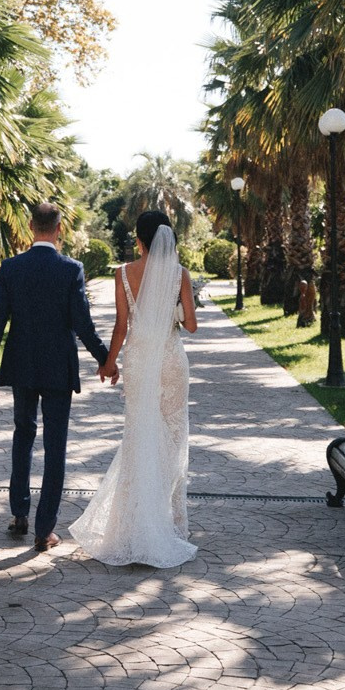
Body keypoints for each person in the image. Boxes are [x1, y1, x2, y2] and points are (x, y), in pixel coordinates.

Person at [0, 202, 114, 551]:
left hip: (21, 365)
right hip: (57, 368)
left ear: (30, 227)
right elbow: (81, 323)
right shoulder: (71, 269)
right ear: (59, 229)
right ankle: (44, 530)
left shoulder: (11, 268)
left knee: (23, 435)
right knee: (55, 446)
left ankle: (19, 513)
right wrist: (105, 359)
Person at [68, 209, 199, 568]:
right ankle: (168, 523)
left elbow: (121, 327)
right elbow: (191, 325)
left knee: (139, 437)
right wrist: (169, 313)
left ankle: (134, 524)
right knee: (173, 438)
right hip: (171, 362)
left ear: (139, 240)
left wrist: (109, 363)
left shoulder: (123, 273)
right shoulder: (180, 275)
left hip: (140, 362)